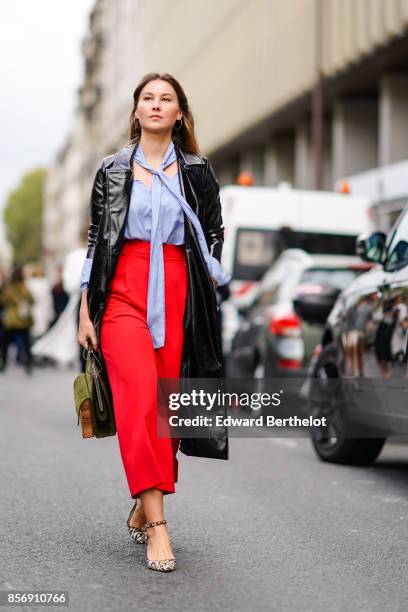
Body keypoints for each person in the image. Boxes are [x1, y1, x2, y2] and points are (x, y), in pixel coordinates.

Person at [77, 72, 231, 573]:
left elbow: (213, 234)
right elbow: (98, 240)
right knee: (139, 398)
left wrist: (206, 294)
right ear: (136, 111)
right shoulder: (113, 169)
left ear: (180, 112)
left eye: (167, 99)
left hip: (179, 289)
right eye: (149, 98)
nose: (157, 105)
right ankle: (159, 527)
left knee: (167, 409)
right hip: (123, 288)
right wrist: (85, 307)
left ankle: (146, 500)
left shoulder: (197, 171)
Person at [0, 265, 34, 374]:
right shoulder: (24, 288)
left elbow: (3, 301)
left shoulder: (9, 288)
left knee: (5, 343)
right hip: (23, 320)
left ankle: (3, 362)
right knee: (23, 341)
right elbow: (32, 300)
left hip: (10, 320)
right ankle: (26, 359)